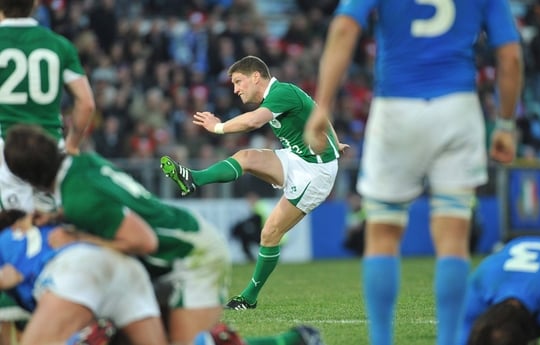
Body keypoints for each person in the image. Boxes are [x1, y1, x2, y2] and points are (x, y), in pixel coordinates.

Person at [303, 1, 523, 345]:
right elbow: (510, 56)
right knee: (453, 236)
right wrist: (506, 124)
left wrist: (324, 104)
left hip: (396, 106)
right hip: (458, 108)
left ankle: (381, 340)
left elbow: (345, 28)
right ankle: (449, 340)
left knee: (382, 233)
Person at [3, 124, 326, 345]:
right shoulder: (82, 165)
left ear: (27, 177)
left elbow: (144, 240)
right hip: (177, 249)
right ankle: (293, 340)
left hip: (192, 257)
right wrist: (61, 214)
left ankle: (289, 341)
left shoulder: (79, 198)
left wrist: (81, 239)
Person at [159, 55, 347, 311]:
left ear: (256, 77)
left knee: (269, 234)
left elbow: (253, 121)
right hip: (297, 159)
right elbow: (320, 115)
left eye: (238, 81)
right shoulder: (283, 94)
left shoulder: (281, 93)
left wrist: (217, 127)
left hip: (315, 173)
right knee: (246, 156)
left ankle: (248, 298)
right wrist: (336, 144)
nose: (235, 89)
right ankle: (193, 178)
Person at [0, 0, 95, 336]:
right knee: (48, 235)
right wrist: (70, 145)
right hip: (48, 150)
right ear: (35, 6)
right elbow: (85, 102)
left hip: (4, 148)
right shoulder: (57, 44)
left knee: (8, 239)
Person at [0, 216, 166, 345]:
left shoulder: (5, 243)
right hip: (124, 263)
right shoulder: (41, 219)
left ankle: (78, 338)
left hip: (75, 270)